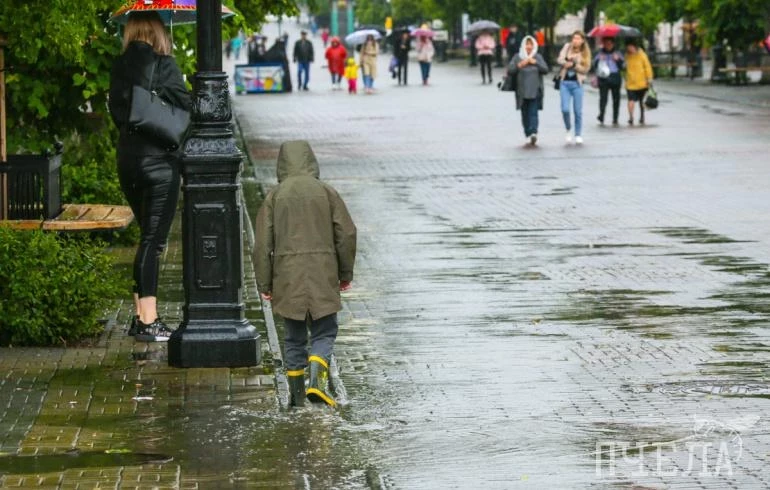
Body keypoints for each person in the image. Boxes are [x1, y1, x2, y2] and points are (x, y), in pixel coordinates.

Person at [108, 11, 191, 342]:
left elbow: (119, 114)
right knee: (153, 243)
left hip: (127, 161)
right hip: (158, 163)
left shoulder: (119, 67)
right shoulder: (165, 64)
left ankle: (139, 314)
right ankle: (148, 320)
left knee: (146, 238)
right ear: (158, 31)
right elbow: (187, 107)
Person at [255, 141, 357, 408]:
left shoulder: (274, 197)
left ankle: (297, 398)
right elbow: (346, 233)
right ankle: (317, 383)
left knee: (293, 337)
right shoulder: (327, 192)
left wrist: (264, 282)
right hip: (323, 272)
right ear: (311, 161)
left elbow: (262, 245)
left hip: (287, 277)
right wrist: (345, 272)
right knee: (325, 330)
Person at [508, 36, 549, 146]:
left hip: (535, 90)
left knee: (533, 112)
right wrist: (520, 65)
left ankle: (533, 133)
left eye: (531, 44)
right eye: (527, 44)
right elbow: (510, 70)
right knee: (525, 113)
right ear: (523, 45)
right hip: (522, 90)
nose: (529, 47)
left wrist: (535, 62)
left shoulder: (538, 57)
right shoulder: (518, 57)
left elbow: (545, 69)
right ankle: (527, 133)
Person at [557, 30, 591, 144]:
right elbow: (559, 59)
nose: (575, 41)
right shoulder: (567, 47)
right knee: (565, 109)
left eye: (578, 39)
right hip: (564, 83)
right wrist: (565, 63)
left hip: (577, 84)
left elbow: (586, 69)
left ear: (582, 41)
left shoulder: (585, 52)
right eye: (574, 38)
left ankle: (578, 134)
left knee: (577, 111)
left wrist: (575, 66)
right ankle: (568, 129)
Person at [593, 37, 624, 126]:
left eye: (610, 43)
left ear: (613, 44)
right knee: (603, 98)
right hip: (603, 78)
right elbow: (594, 66)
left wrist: (617, 60)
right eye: (606, 43)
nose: (608, 45)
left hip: (615, 77)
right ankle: (601, 115)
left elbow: (623, 66)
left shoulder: (618, 53)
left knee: (616, 99)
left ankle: (615, 118)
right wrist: (599, 60)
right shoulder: (600, 54)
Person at [624, 39, 653, 125]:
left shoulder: (642, 54)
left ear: (634, 46)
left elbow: (647, 67)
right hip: (631, 83)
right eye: (628, 47)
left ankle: (642, 116)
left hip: (642, 82)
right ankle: (631, 117)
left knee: (641, 101)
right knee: (631, 100)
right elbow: (624, 67)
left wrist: (649, 78)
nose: (629, 49)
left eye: (630, 47)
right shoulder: (627, 56)